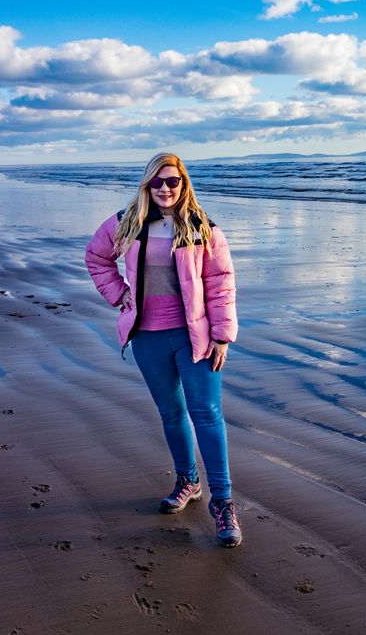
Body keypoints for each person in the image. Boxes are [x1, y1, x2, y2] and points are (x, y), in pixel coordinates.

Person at [85, 153, 242, 548]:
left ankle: (222, 503)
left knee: (206, 415)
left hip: (195, 338)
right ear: (146, 185)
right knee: (172, 413)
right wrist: (119, 295)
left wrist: (222, 335)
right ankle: (188, 482)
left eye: (173, 181)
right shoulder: (127, 222)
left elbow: (221, 282)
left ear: (184, 184)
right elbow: (96, 257)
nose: (165, 188)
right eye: (157, 182)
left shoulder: (202, 228)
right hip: (148, 338)